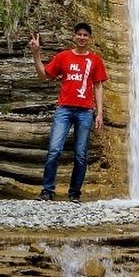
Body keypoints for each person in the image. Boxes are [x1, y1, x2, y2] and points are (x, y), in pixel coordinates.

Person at [28, 23, 108, 202]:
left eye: (85, 35)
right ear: (74, 36)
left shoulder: (95, 60)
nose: (82, 37)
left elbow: (98, 86)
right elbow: (43, 75)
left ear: (90, 38)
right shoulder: (64, 57)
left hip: (85, 111)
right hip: (64, 109)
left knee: (80, 154)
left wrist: (99, 113)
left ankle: (74, 194)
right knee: (54, 150)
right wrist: (36, 53)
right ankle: (47, 191)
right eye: (79, 34)